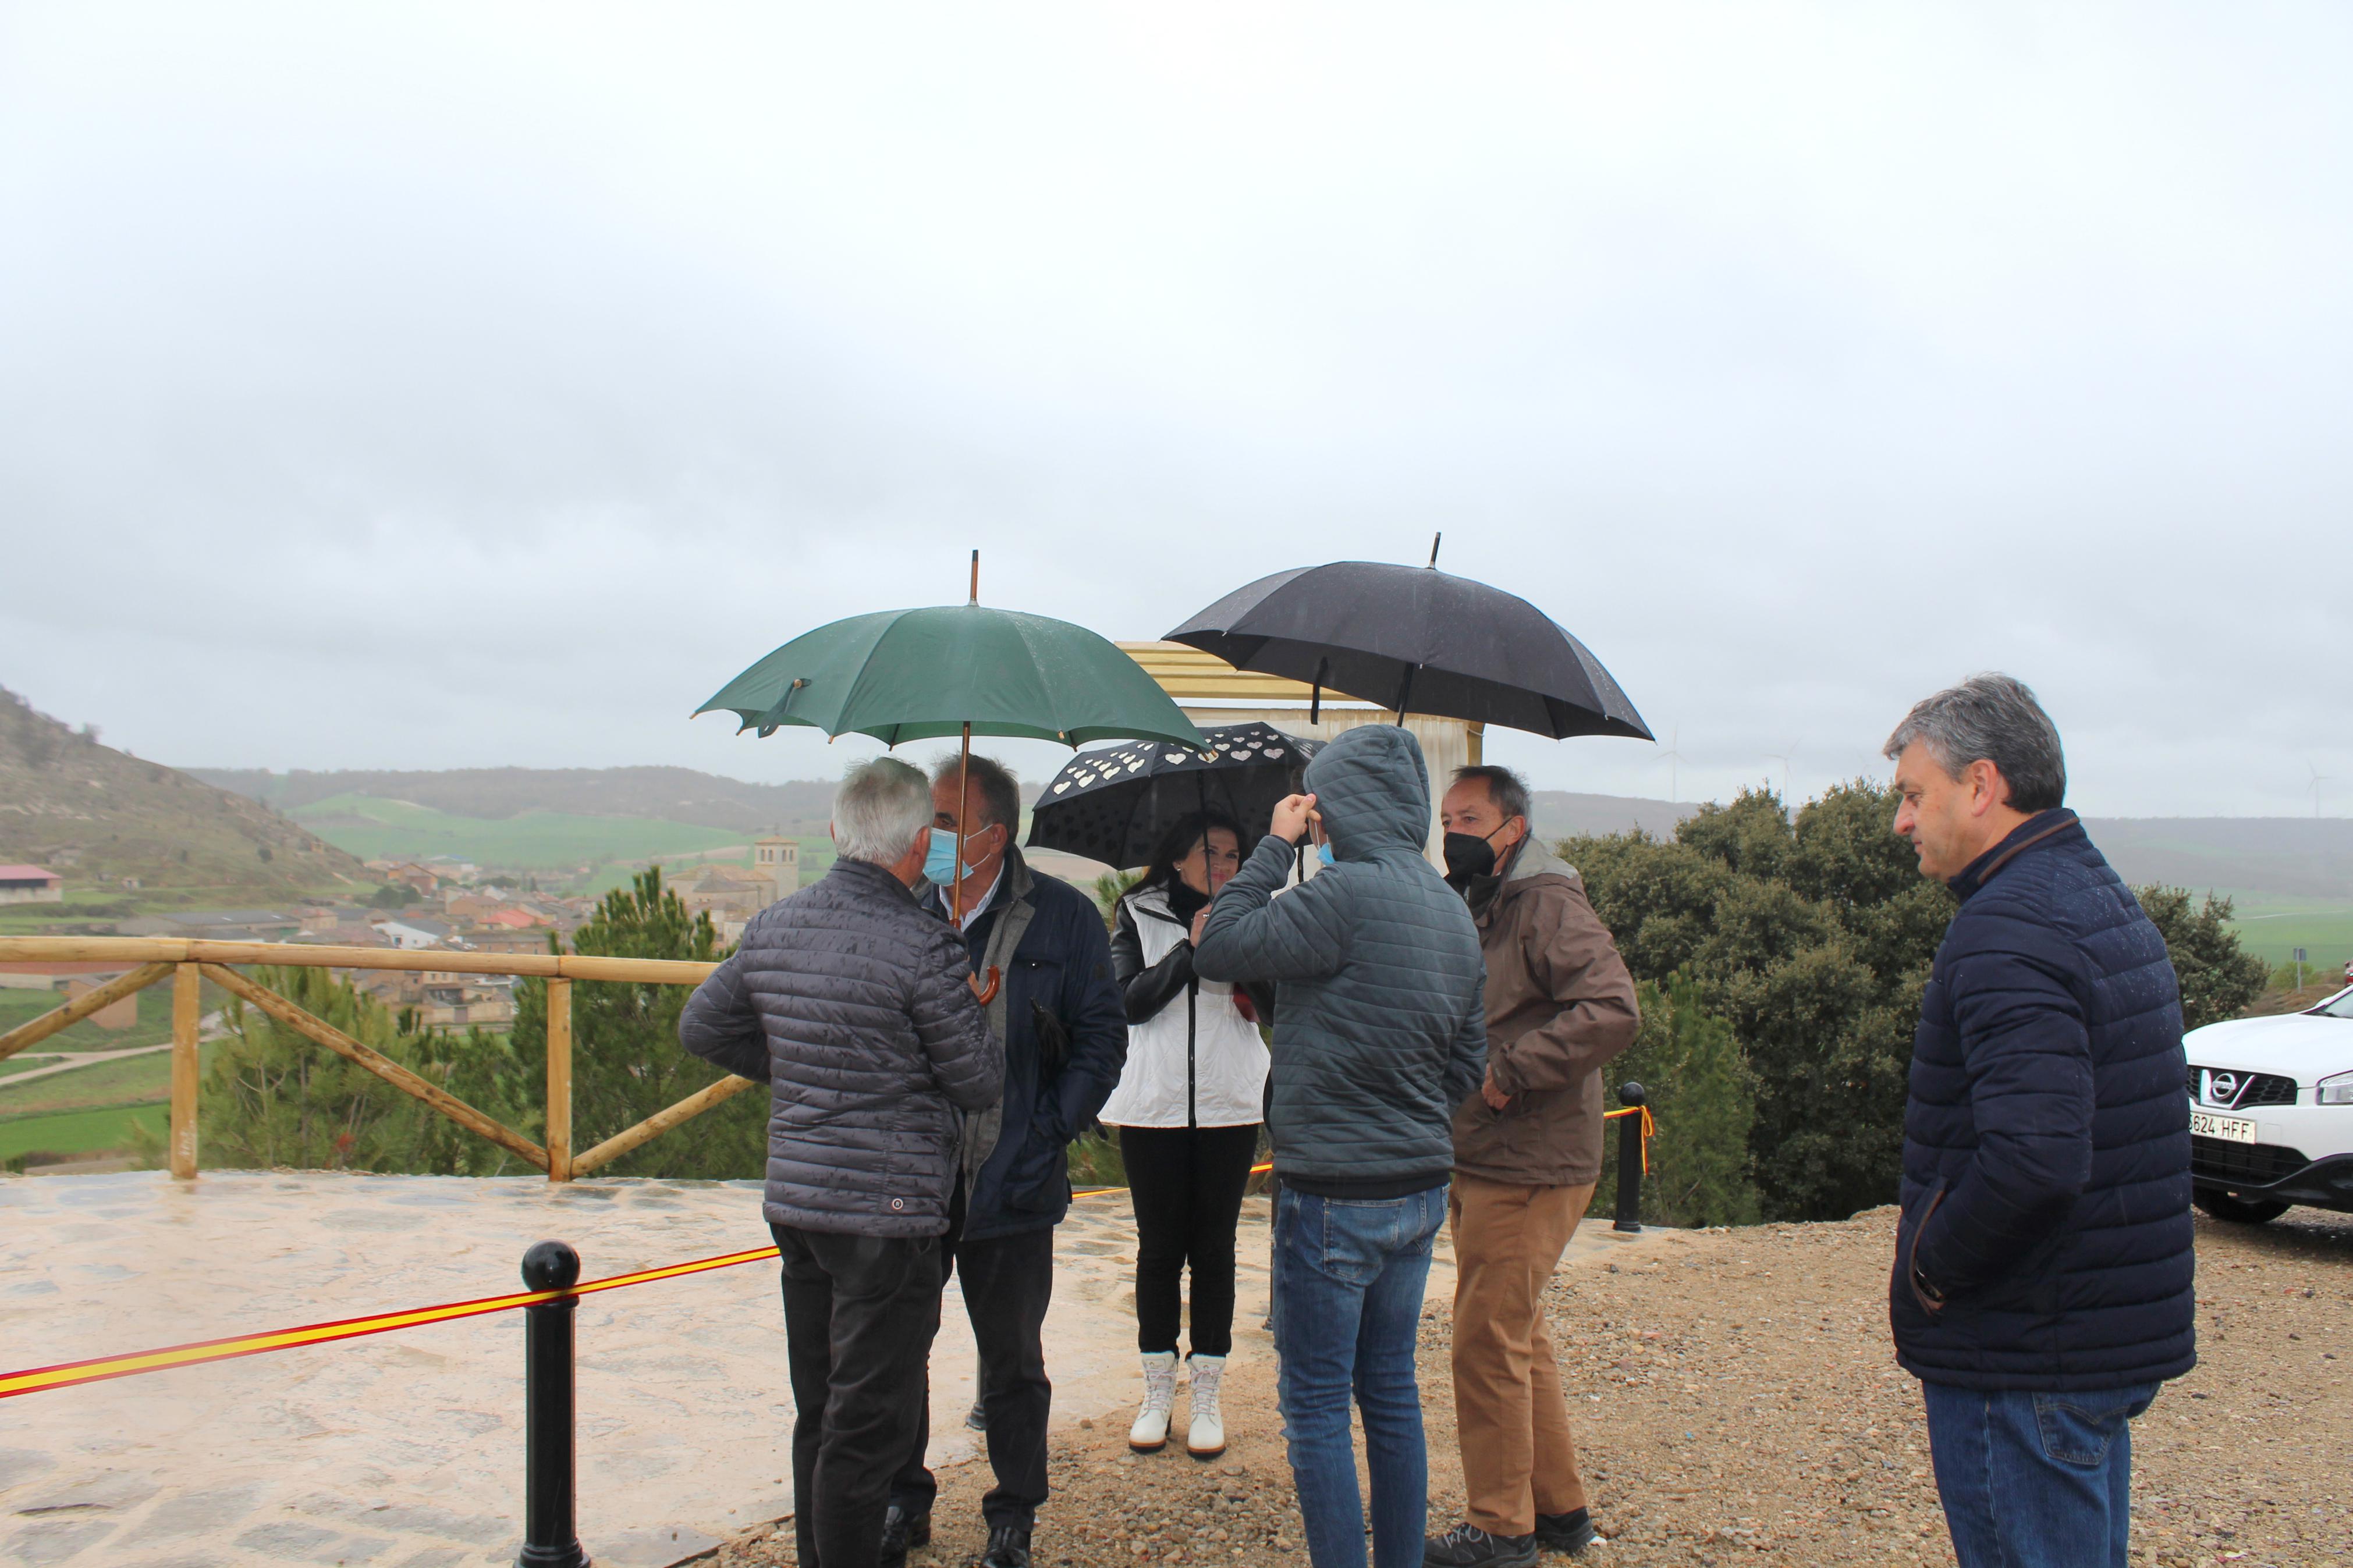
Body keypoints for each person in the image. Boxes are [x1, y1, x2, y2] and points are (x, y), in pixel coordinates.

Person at [1884, 674, 2194, 1568]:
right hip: (2082, 1336)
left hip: (2023, 1346)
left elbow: (2034, 1158)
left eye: (1913, 795)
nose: (1900, 822)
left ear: (1980, 786)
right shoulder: (2088, 891)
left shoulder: (2007, 927)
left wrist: (1932, 1267)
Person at [676, 758, 1003, 1568]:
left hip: (798, 1205)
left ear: (835, 830)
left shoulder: (777, 924)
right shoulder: (924, 942)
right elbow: (976, 1081)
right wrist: (966, 1007)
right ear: (920, 842)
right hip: (885, 1216)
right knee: (868, 1428)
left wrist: (802, 1065)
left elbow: (703, 1028)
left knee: (820, 1410)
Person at [1194, 725, 1487, 1568]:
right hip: (1417, 1182)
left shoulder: (1339, 895)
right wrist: (1398, 1112)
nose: (1316, 823)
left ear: (1342, 805)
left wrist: (1273, 843)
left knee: (1316, 1401)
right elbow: (1464, 1063)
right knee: (1389, 1390)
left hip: (1331, 1189)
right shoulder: (1448, 908)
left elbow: (1218, 944)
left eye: (1320, 805)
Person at [883, 752, 1128, 1568]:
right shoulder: (902, 907)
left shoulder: (1062, 918)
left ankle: (1012, 1512)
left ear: (996, 832)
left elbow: (1101, 1037)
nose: (933, 834)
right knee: (897, 1347)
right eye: (929, 818)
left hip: (1013, 1176)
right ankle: (900, 1497)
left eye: (949, 821)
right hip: (910, 1180)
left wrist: (1050, 1129)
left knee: (1013, 1359)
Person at [1425, 765, 1638, 1567]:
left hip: (1528, 1157)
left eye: (1469, 816)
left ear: (1510, 826)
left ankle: (1498, 1527)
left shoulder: (1544, 898)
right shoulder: (1490, 899)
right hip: (1489, 1151)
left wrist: (1509, 1072)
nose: (1453, 829)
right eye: (1445, 815)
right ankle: (1556, 1510)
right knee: (1516, 1335)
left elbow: (1612, 1007)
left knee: (1483, 1340)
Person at [1101, 810, 1274, 1459]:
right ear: (1178, 857)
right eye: (1212, 853)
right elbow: (1128, 1002)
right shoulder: (1136, 912)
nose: (1225, 866)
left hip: (1231, 1101)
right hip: (1153, 1104)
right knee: (1159, 1248)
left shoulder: (1251, 911)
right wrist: (1189, 951)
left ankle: (1206, 1390)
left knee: (1215, 1248)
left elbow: (1279, 1005)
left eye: (1234, 855)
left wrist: (1236, 945)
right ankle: (1155, 1390)